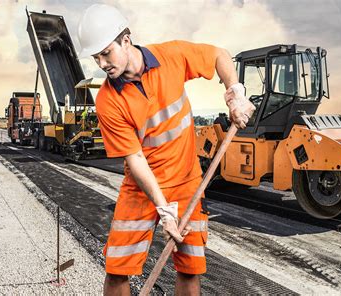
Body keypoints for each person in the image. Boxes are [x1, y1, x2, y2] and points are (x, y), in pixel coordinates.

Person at [77, 4, 255, 295]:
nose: (102, 63)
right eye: (96, 57)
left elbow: (218, 55)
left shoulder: (170, 56)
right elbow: (134, 158)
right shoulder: (108, 101)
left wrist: (235, 93)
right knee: (118, 267)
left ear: (125, 40)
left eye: (106, 52)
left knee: (190, 266)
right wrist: (163, 208)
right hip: (141, 188)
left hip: (187, 183)